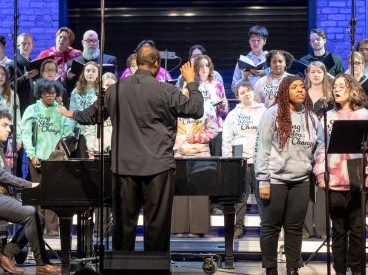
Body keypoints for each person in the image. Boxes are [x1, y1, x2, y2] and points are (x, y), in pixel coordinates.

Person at [59, 45, 204, 252]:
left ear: (136, 61)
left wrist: (71, 113)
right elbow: (196, 109)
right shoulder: (166, 90)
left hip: (124, 168)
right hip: (158, 168)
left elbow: (91, 116)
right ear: (157, 65)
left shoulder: (115, 89)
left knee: (124, 227)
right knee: (156, 227)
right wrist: (191, 82)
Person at [0, 109, 61, 275]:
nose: (9, 129)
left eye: (9, 126)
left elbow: (5, 177)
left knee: (39, 217)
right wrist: (31, 185)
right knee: (30, 213)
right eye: (4, 125)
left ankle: (6, 254)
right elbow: (1, 175)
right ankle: (42, 264)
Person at [313, 74, 368, 275]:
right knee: (338, 230)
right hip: (334, 176)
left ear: (352, 89)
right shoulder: (328, 117)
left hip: (357, 175)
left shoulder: (365, 115)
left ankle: (357, 272)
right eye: (335, 86)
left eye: (342, 86)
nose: (337, 89)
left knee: (357, 228)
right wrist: (320, 173)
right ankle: (340, 272)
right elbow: (321, 147)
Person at [256, 75, 317, 275]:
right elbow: (262, 149)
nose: (300, 90)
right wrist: (263, 180)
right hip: (275, 179)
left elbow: (317, 148)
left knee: (294, 227)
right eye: (294, 87)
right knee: (271, 227)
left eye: (302, 87)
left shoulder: (311, 117)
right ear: (285, 91)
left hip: (301, 180)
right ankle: (271, 272)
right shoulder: (272, 114)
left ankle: (293, 272)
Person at [20, 80, 75, 235]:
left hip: (56, 159)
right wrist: (31, 155)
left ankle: (52, 229)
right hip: (37, 157)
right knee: (38, 192)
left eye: (53, 93)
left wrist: (60, 153)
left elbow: (67, 133)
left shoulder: (61, 110)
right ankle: (38, 226)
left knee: (54, 193)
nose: (51, 96)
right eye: (47, 93)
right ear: (40, 94)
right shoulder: (32, 110)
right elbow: (26, 133)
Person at [222, 81, 265, 238]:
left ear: (253, 92)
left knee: (262, 196)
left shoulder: (263, 111)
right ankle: (238, 225)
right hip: (241, 161)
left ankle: (265, 226)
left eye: (248, 91)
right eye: (242, 92)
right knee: (241, 196)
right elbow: (227, 139)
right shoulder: (233, 114)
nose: (246, 94)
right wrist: (228, 162)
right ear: (238, 96)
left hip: (259, 160)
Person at [171, 91, 218, 238]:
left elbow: (214, 130)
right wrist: (180, 142)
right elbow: (168, 129)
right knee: (179, 192)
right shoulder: (174, 106)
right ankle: (178, 228)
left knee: (199, 192)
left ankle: (198, 229)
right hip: (179, 154)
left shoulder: (207, 107)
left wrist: (197, 138)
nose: (186, 91)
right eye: (183, 88)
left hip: (201, 154)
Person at [302, 61, 334, 239]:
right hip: (305, 143)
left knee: (322, 185)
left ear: (324, 74)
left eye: (318, 72)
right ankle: (306, 229)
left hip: (325, 144)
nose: (315, 75)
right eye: (312, 72)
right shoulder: (303, 94)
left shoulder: (329, 96)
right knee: (306, 184)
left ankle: (322, 228)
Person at [70, 62, 100, 156]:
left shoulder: (101, 90)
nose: (90, 73)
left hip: (96, 132)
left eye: (93, 71)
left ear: (98, 74)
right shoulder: (76, 91)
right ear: (83, 73)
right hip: (81, 132)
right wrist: (70, 132)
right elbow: (72, 112)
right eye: (88, 71)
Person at [232, 25, 269, 89]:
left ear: (264, 41)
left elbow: (279, 82)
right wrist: (244, 79)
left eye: (259, 40)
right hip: (248, 97)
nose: (256, 43)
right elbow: (233, 87)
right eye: (253, 40)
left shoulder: (272, 60)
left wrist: (264, 74)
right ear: (249, 41)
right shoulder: (243, 61)